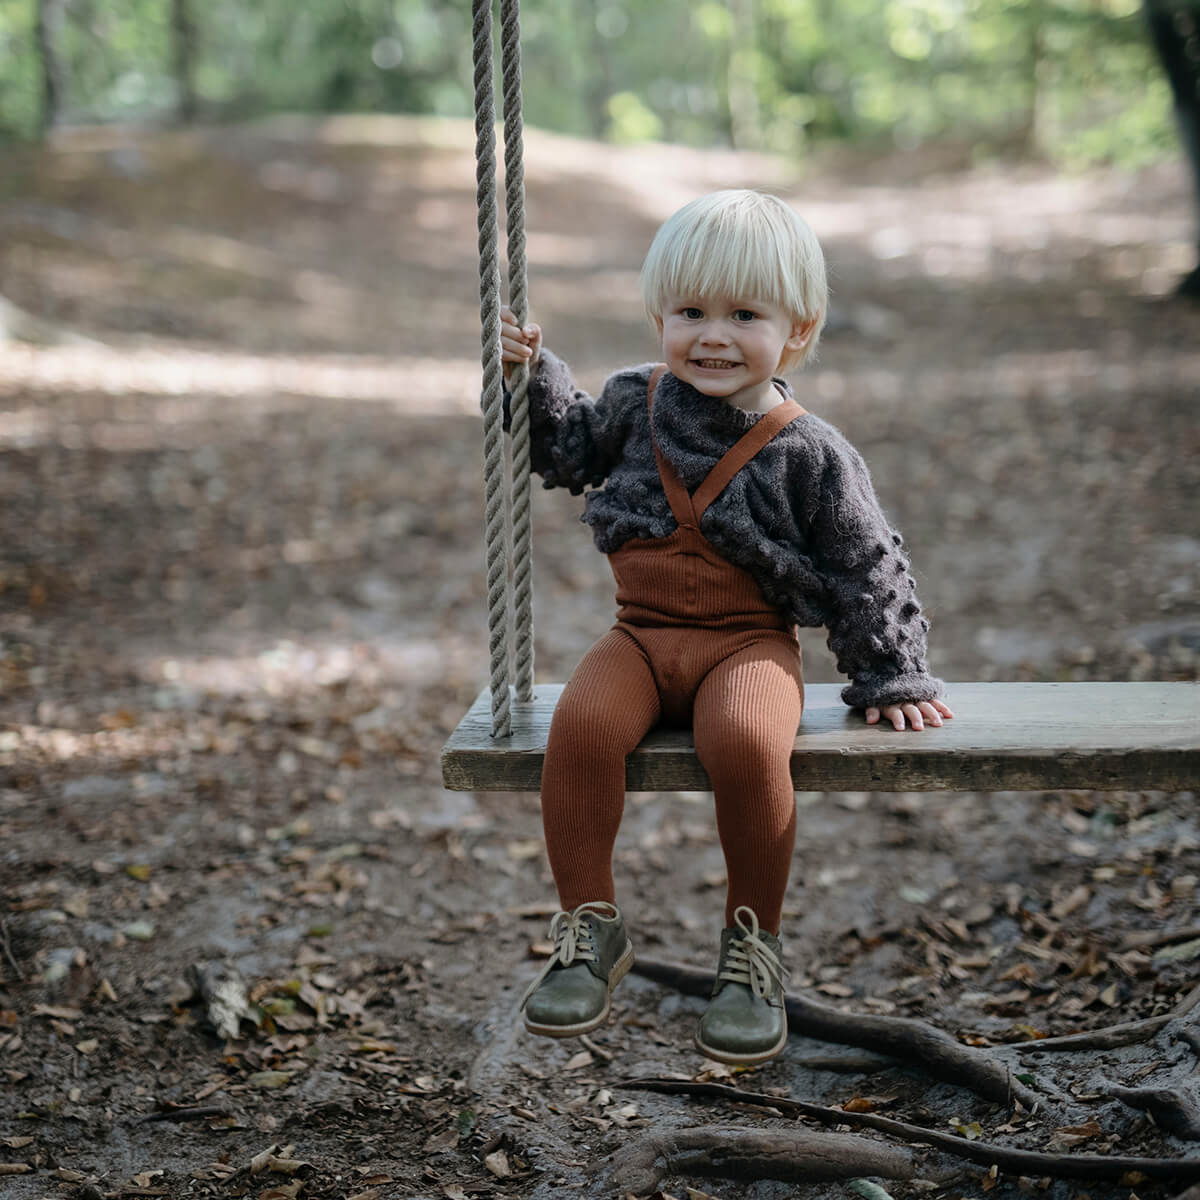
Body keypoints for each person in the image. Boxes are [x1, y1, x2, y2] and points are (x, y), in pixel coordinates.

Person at [499, 189, 953, 1066]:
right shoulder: (637, 403)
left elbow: (867, 565)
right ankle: (590, 926)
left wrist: (893, 674)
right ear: (657, 317)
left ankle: (753, 949)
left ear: (797, 329)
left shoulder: (811, 451)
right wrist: (534, 376)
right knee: (581, 728)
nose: (713, 334)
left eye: (744, 313)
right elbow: (566, 449)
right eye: (690, 311)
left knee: (746, 742)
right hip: (639, 634)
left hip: (749, 647)